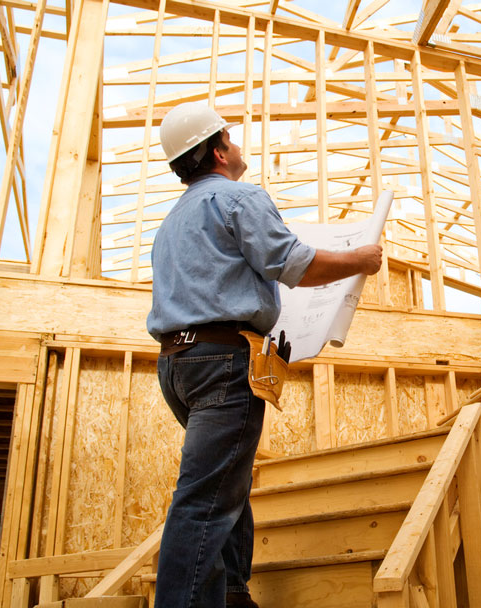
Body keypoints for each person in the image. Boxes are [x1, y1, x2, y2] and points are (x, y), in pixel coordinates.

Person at [146, 102, 382, 608]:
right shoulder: (238, 198)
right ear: (217, 150)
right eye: (228, 138)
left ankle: (230, 593)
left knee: (223, 482)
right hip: (221, 362)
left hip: (177, 366)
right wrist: (361, 257)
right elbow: (295, 264)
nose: (235, 145)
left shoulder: (172, 222)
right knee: (203, 499)